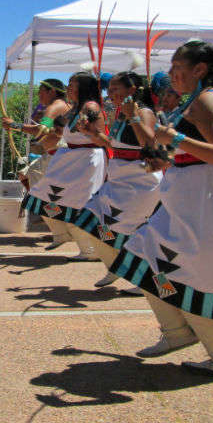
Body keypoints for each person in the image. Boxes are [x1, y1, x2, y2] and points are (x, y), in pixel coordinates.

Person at [106, 40, 213, 378]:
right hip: (192, 199)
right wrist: (165, 157)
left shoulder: (209, 100)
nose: (172, 76)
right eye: (172, 69)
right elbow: (174, 147)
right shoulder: (194, 100)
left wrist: (176, 141)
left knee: (186, 270)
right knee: (146, 255)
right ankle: (179, 333)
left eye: (179, 70)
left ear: (200, 70)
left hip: (210, 202)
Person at [67, 71, 164, 290]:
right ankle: (116, 268)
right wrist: (90, 132)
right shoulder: (121, 113)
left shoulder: (144, 111)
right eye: (109, 89)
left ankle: (141, 279)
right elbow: (112, 145)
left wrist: (134, 117)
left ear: (132, 90)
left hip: (141, 182)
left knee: (132, 232)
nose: (109, 94)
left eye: (115, 89)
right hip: (120, 181)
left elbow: (150, 143)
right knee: (88, 219)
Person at [14, 72, 107, 258]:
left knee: (79, 204)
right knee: (42, 197)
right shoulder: (73, 108)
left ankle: (90, 249)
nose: (69, 87)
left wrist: (87, 130)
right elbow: (48, 124)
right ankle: (64, 235)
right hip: (69, 160)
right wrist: (42, 126)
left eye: (73, 84)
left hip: (86, 161)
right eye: (69, 83)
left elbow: (100, 136)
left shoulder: (85, 106)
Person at [15, 78, 69, 191]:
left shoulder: (54, 106)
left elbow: (42, 129)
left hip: (56, 157)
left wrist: (14, 125)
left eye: (41, 90)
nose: (39, 94)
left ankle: (32, 203)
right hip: (60, 156)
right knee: (25, 175)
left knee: (35, 187)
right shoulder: (65, 106)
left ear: (52, 92)